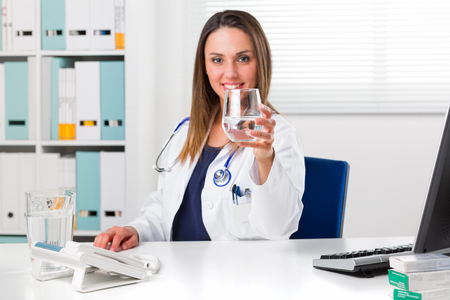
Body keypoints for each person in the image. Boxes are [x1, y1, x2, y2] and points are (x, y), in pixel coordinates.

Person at [94, 10, 305, 252]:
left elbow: (279, 228)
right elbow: (163, 209)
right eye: (217, 60)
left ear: (261, 63)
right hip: (177, 276)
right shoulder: (186, 133)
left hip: (243, 278)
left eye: (243, 58)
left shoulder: (280, 136)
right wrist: (135, 231)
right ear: (204, 67)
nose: (230, 73)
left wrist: (266, 159)